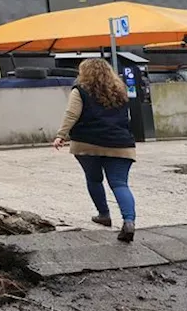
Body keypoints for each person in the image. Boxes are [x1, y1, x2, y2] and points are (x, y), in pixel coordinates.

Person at [52, 58, 138, 242]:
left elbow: (72, 113)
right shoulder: (121, 91)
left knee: (94, 179)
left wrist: (61, 135)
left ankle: (104, 214)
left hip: (87, 142)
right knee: (120, 184)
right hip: (120, 143)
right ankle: (129, 221)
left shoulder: (80, 90)